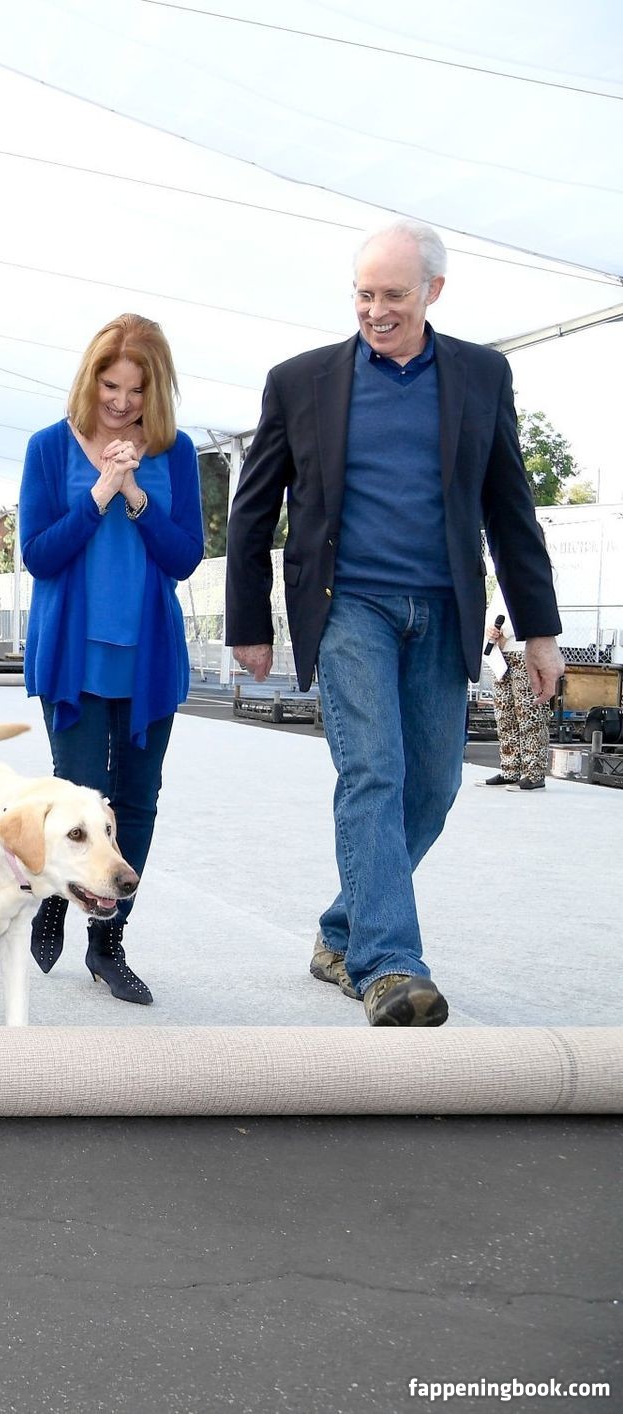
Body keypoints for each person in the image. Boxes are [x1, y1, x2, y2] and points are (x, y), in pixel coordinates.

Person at [226, 220, 563, 1027]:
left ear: (433, 291)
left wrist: (540, 630)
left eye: (394, 296)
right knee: (372, 771)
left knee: (434, 785)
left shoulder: (482, 375)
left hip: (445, 609)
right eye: (364, 294)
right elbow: (253, 510)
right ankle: (388, 965)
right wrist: (249, 623)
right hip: (349, 605)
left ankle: (344, 929)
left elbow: (510, 507)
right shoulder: (301, 380)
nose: (376, 310)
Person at [18, 314, 204, 1006]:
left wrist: (135, 496)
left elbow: (184, 557)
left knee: (136, 803)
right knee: (76, 798)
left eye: (137, 389)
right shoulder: (49, 447)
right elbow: (39, 556)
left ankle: (108, 941)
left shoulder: (176, 451)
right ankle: (53, 897)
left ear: (157, 390)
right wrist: (98, 494)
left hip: (147, 659)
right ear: (89, 378)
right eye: (110, 385)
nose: (122, 402)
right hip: (74, 658)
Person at [482, 601, 551, 793]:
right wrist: (489, 629)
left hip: (525, 649)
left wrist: (506, 632)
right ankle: (510, 769)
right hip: (499, 653)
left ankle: (534, 774)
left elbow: (538, 609)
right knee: (504, 713)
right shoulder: (500, 585)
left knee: (529, 713)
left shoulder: (536, 581)